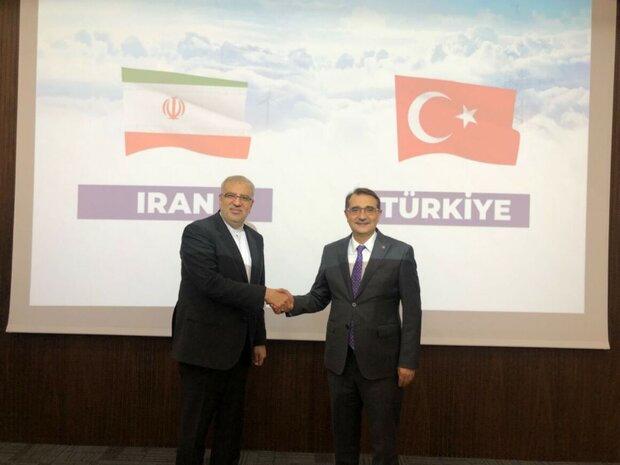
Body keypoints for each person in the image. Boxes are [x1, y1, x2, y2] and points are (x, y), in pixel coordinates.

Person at [275, 187, 421, 465]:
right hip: (340, 361)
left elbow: (413, 311)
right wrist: (290, 302)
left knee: (384, 441)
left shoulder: (400, 252)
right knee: (343, 439)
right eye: (355, 209)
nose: (362, 215)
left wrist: (408, 360)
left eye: (369, 209)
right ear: (346, 214)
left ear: (379, 213)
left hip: (383, 363)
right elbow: (319, 296)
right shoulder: (332, 251)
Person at [172, 175, 290, 465]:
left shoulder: (255, 238)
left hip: (238, 349)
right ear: (220, 198)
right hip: (202, 347)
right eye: (231, 195)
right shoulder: (198, 232)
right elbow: (209, 283)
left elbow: (254, 288)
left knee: (230, 428)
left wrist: (259, 339)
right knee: (195, 429)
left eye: (244, 197)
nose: (237, 202)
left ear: (252, 204)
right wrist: (266, 293)